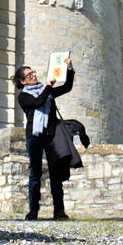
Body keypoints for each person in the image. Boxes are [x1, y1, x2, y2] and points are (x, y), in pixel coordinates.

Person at [15, 58, 75, 221]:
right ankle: (33, 211)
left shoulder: (45, 91)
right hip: (34, 137)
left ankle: (59, 211)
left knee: (56, 173)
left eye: (33, 72)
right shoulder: (24, 97)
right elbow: (38, 101)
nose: (34, 75)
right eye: (29, 75)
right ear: (23, 81)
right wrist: (49, 86)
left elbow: (67, 87)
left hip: (51, 135)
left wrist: (69, 70)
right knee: (35, 173)